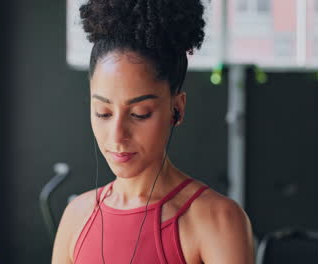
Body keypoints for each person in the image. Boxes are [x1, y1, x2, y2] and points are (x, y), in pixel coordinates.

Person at [52, 0, 255, 263]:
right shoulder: (76, 217)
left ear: (177, 109)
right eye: (103, 112)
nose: (117, 136)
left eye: (140, 114)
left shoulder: (217, 220)